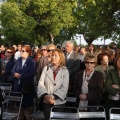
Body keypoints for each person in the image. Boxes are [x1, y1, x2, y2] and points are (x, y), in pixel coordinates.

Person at [37, 48, 69, 120]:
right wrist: (46, 96)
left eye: (56, 56)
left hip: (59, 102)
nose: (53, 57)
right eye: (53, 55)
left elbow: (64, 87)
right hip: (46, 101)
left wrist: (53, 97)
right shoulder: (46, 68)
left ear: (61, 58)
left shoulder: (65, 71)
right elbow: (41, 83)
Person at [12, 45, 36, 120]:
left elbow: (32, 73)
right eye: (21, 50)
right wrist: (14, 74)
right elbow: (13, 69)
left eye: (23, 51)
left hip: (27, 87)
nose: (21, 52)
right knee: (20, 106)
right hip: (18, 85)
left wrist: (21, 75)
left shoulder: (32, 61)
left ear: (28, 52)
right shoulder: (18, 60)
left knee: (28, 106)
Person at [105, 55, 120, 120]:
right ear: (116, 62)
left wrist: (117, 87)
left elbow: (112, 85)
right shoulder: (111, 72)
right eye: (119, 61)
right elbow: (107, 86)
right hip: (112, 99)